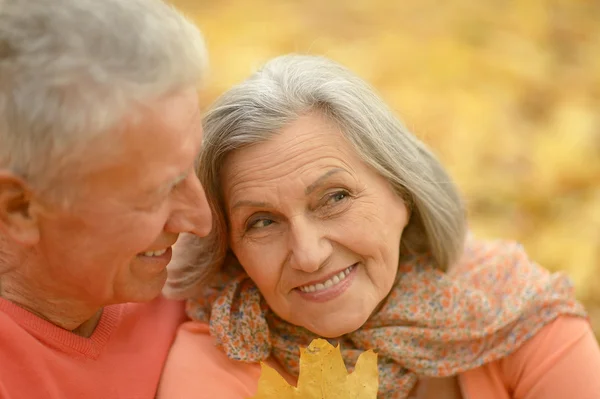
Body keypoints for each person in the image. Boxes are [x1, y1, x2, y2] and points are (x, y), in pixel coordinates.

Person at [160, 55, 600, 399]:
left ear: (403, 192)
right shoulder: (222, 353)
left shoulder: (513, 312)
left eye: (334, 198)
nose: (309, 254)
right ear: (232, 248)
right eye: (262, 222)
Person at [0, 0, 227, 397]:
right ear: (21, 208)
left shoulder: (209, 279)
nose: (201, 221)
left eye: (194, 166)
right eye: (159, 191)